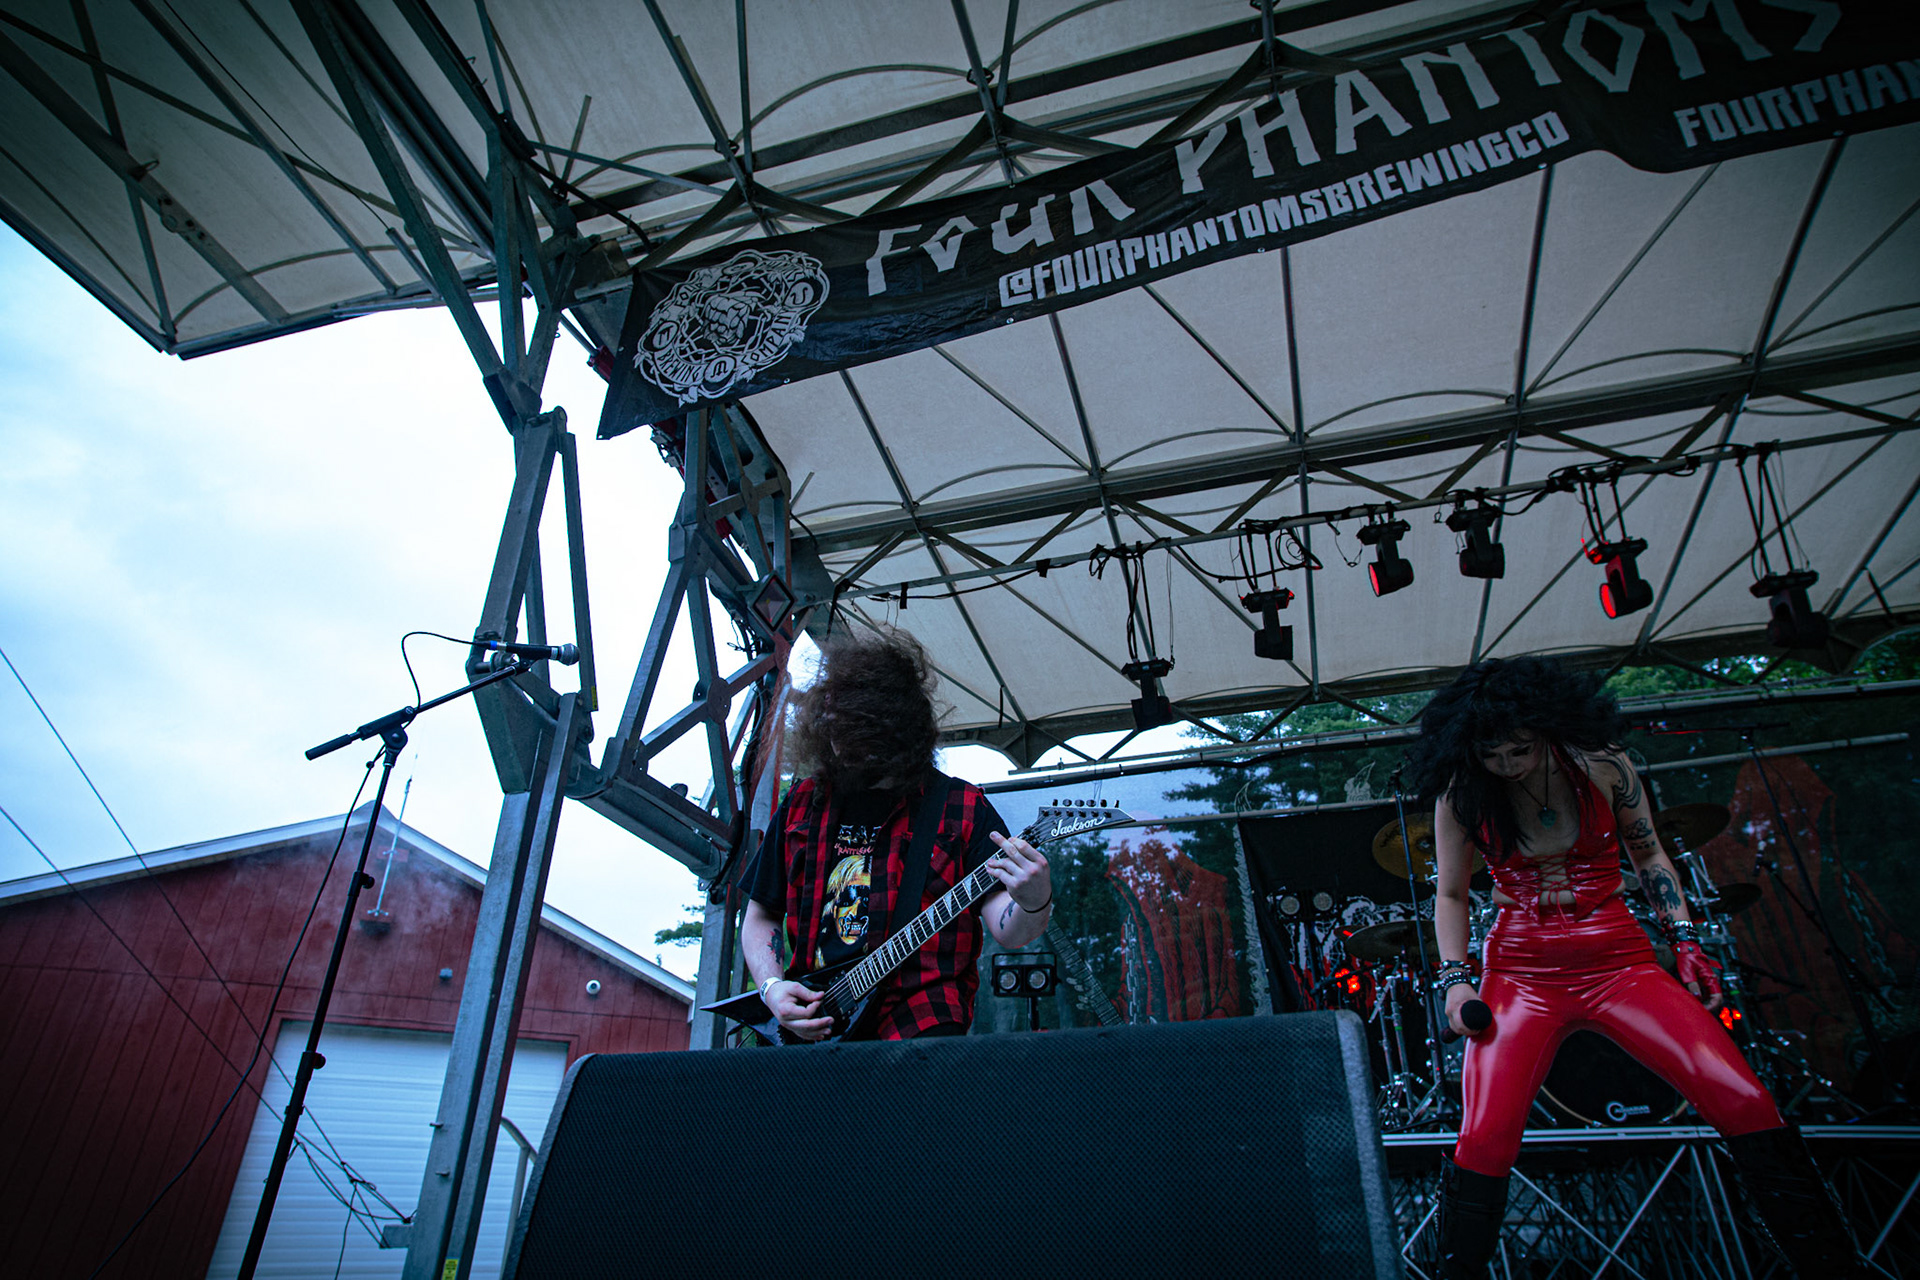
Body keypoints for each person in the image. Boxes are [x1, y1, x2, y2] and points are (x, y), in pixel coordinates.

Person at [1407, 656, 1864, 1278]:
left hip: (1620, 961)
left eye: (1520, 749)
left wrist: (1686, 942)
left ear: (1547, 728)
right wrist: (1457, 983)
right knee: (1484, 1139)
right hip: (1522, 973)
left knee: (1747, 1101)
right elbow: (1452, 894)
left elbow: (1650, 856)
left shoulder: (1604, 766)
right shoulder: (1462, 795)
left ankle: (1832, 1267)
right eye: (1492, 755)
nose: (1508, 764)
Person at [740, 626, 1052, 1042]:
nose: (838, 744)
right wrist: (771, 987)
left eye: (855, 730)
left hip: (920, 1022)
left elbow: (1009, 929)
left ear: (896, 727)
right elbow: (760, 915)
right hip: (814, 1022)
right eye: (832, 725)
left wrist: (1035, 900)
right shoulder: (802, 803)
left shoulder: (961, 807)